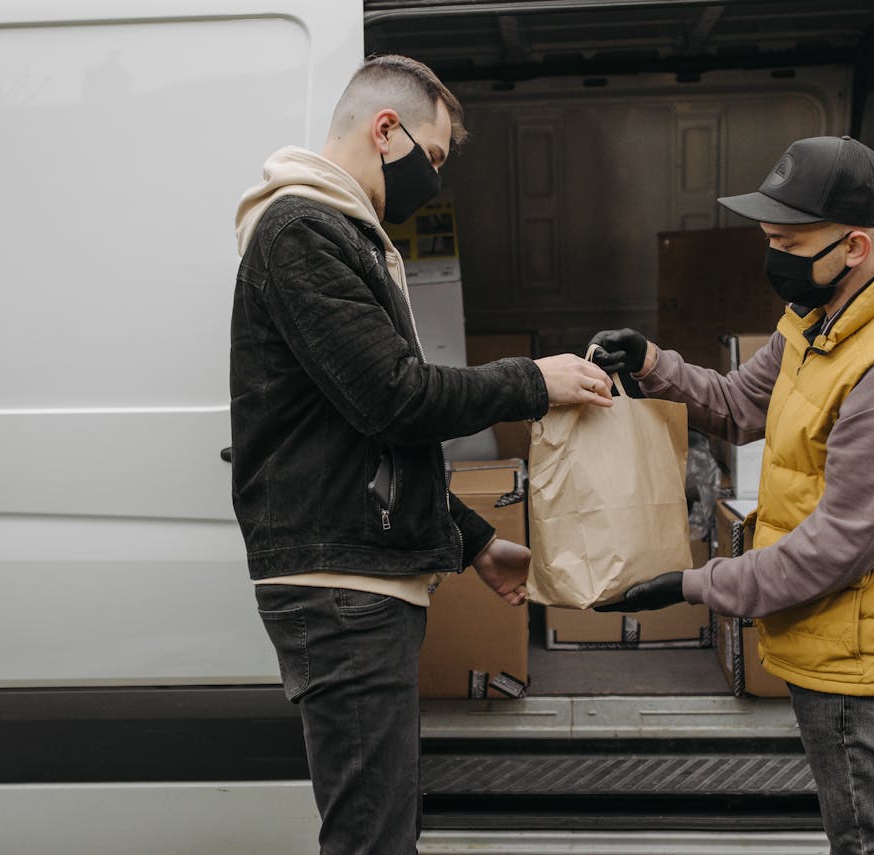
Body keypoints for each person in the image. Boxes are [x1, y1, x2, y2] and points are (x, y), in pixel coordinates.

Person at [229, 55, 612, 855]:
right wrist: (532, 382)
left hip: (360, 581)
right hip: (340, 587)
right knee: (373, 838)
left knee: (384, 829)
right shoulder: (302, 231)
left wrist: (473, 542)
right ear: (385, 129)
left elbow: (368, 435)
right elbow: (395, 398)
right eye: (432, 158)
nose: (433, 179)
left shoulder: (341, 232)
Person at [590, 135, 874, 855]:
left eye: (787, 240)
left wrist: (692, 583)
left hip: (866, 666)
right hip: (829, 646)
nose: (772, 257)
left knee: (870, 845)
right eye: (768, 236)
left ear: (856, 245)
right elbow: (740, 405)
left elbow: (839, 546)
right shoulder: (822, 315)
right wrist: (651, 363)